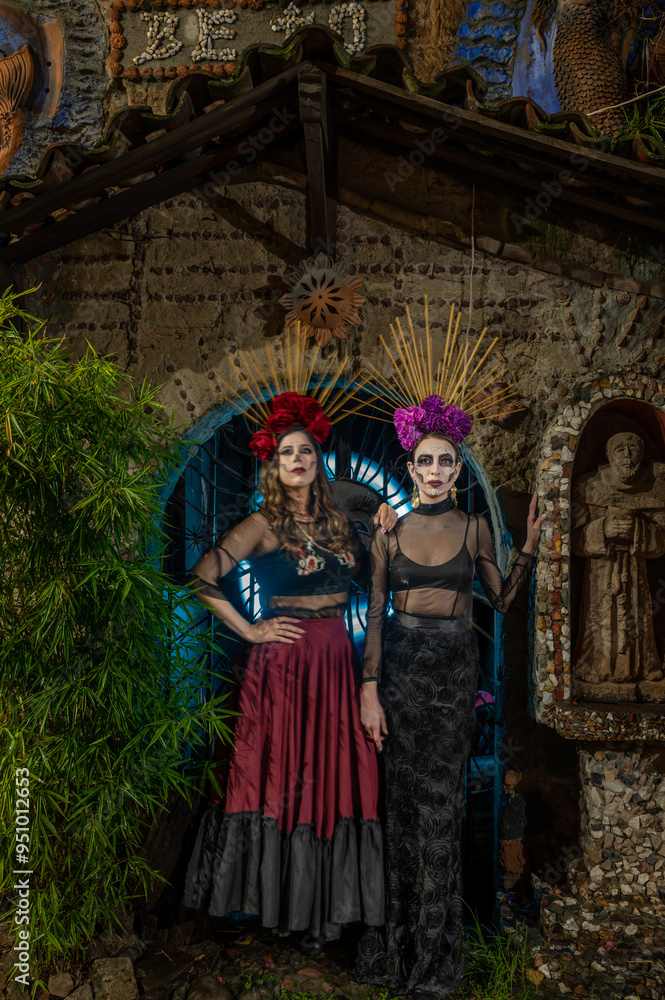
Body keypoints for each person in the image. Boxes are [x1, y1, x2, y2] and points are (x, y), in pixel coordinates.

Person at [182, 390, 396, 954]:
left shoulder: (340, 518)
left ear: (316, 458)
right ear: (273, 466)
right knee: (287, 775)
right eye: (285, 454)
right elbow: (201, 579)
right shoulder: (263, 523)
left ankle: (329, 913)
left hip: (336, 661)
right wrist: (251, 631)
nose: (296, 460)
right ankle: (284, 909)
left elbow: (375, 562)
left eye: (304, 450)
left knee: (333, 774)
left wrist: (382, 515)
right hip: (284, 664)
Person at [354, 394, 545, 1000]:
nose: (435, 471)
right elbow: (376, 619)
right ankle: (395, 949)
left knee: (442, 814)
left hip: (452, 678)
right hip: (401, 678)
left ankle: (434, 966)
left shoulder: (474, 527)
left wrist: (532, 544)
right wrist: (369, 692)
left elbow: (503, 600)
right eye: (425, 461)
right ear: (411, 468)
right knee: (399, 812)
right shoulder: (390, 529)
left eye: (446, 463)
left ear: (458, 472)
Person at [572, 430, 665, 702]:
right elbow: (574, 541)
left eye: (633, 450)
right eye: (620, 450)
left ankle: (642, 670)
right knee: (599, 619)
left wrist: (638, 529)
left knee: (638, 618)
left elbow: (661, 542)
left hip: (636, 570)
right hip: (600, 572)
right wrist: (602, 529)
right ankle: (596, 668)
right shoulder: (590, 486)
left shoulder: (654, 488)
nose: (627, 456)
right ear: (609, 455)